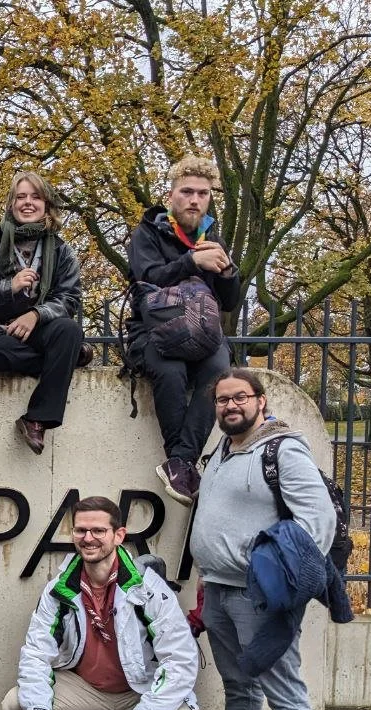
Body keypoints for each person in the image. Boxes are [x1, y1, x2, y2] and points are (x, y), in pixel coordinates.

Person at [188, 368, 335, 710]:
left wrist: (283, 584)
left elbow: (318, 522)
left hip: (261, 598)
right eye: (222, 400)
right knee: (238, 681)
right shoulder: (221, 452)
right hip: (218, 589)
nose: (230, 406)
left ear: (261, 401)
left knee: (284, 691)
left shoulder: (283, 450)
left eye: (239, 398)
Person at [1, 496, 199, 710]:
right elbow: (36, 653)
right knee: (17, 706)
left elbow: (180, 663)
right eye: (80, 530)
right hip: (87, 691)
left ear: (118, 535)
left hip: (140, 691)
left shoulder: (148, 590)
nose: (88, 538)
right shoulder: (60, 589)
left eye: (98, 530)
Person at [127, 155, 240, 505]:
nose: (195, 200)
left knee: (220, 373)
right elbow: (147, 278)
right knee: (171, 371)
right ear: (172, 195)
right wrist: (191, 261)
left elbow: (230, 301)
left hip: (203, 333)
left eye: (203, 194)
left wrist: (226, 273)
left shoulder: (213, 236)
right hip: (153, 331)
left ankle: (181, 461)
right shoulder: (147, 232)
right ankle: (183, 462)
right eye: (187, 192)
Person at [0, 171, 90, 455]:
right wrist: (8, 287)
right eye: (21, 197)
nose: (28, 203)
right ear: (11, 204)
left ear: (46, 204)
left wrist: (36, 315)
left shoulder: (62, 252)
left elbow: (69, 298)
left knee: (69, 331)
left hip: (37, 331)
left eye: (35, 197)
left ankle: (37, 418)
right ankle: (64, 360)